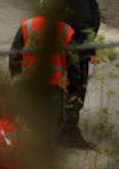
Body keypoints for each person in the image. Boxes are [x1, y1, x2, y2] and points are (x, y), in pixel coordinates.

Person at [8, 9, 76, 139]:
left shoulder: (27, 25)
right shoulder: (66, 30)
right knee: (51, 124)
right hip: (56, 85)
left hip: (29, 81)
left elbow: (14, 55)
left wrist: (16, 76)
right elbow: (73, 63)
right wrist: (73, 88)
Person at [61, 0, 102, 149]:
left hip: (70, 51)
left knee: (69, 91)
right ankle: (69, 134)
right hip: (76, 53)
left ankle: (63, 130)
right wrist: (91, 50)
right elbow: (84, 26)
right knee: (75, 93)